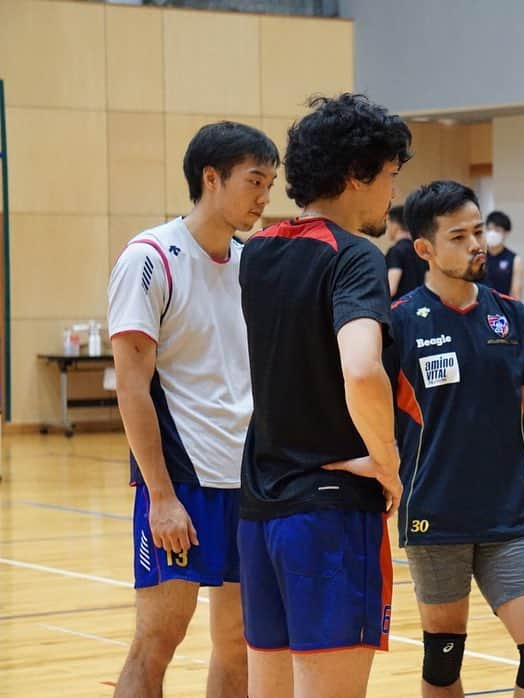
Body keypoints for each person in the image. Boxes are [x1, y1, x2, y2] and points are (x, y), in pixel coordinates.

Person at [236, 94, 411, 698]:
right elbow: (361, 369)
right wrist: (388, 463)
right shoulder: (355, 255)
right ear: (357, 174)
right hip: (329, 511)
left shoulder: (257, 252)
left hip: (259, 508)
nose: (392, 194)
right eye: (390, 176)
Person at [107, 121, 279, 697]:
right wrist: (160, 497)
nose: (264, 197)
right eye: (255, 181)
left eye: (270, 184)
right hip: (182, 482)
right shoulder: (150, 258)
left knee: (238, 643)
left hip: (249, 483)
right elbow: (132, 388)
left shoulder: (254, 263)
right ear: (212, 177)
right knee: (157, 641)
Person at [390, 180, 524, 697]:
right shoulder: (398, 324)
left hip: (507, 516)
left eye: (479, 231)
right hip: (433, 513)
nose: (477, 244)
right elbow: (373, 416)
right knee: (444, 659)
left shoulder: (510, 315)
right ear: (424, 248)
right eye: (460, 235)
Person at [386, 204, 427, 299]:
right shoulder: (420, 250)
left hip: (401, 308)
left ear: (395, 225)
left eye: (388, 223)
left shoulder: (396, 251)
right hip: (418, 305)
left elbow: (391, 288)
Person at [481, 210, 524, 298]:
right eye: (489, 229)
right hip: (480, 307)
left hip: (502, 308)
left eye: (497, 230)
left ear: (506, 233)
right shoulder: (479, 256)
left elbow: (516, 295)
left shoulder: (514, 260)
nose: (492, 233)